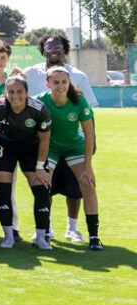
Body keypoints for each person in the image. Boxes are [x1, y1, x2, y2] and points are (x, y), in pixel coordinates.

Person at [0, 75, 54, 250]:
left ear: (27, 93)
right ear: (5, 93)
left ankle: (41, 237)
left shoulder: (38, 109)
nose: (15, 96)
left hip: (31, 148)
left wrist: (39, 168)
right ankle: (8, 237)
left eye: (20, 92)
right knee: (3, 191)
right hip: (4, 146)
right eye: (11, 92)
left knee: (42, 190)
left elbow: (45, 140)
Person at [40, 66, 101, 249]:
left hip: (74, 147)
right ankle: (45, 230)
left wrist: (88, 167)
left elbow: (89, 134)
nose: (60, 86)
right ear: (47, 83)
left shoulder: (80, 102)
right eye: (56, 82)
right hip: (50, 148)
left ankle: (94, 237)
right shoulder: (40, 101)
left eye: (64, 82)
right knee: (43, 186)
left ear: (69, 83)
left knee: (88, 185)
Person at [24, 32, 97, 101]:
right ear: (43, 51)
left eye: (57, 47)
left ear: (65, 50)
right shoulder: (29, 73)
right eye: (49, 48)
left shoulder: (80, 77)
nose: (53, 50)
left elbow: (89, 106)